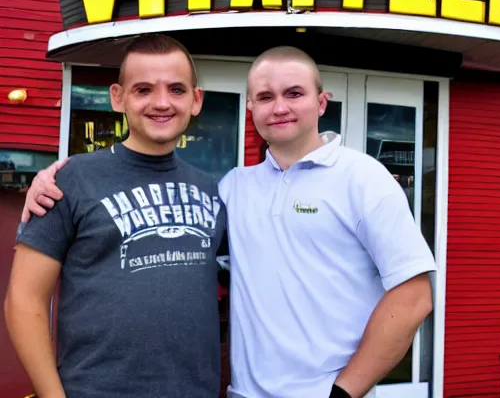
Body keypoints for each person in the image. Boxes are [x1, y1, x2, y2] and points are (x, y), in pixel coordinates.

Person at [18, 45, 437, 398]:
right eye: (266, 96)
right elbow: (25, 300)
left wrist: (342, 393)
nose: (281, 107)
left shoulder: (360, 178)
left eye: (294, 93)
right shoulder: (232, 188)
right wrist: (48, 177)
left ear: (321, 102)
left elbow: (414, 297)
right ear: (250, 106)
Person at [4, 34, 228, 398]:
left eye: (176, 89)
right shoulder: (70, 180)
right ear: (118, 97)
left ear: (195, 100)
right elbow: (24, 299)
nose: (161, 103)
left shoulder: (213, 191)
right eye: (143, 90)